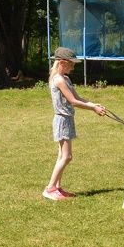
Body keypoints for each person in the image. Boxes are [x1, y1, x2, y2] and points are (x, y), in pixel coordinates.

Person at [43, 47, 106, 201]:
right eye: (71, 64)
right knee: (67, 156)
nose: (73, 66)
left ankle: (57, 187)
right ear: (63, 62)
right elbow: (73, 102)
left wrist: (94, 104)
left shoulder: (65, 78)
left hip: (68, 119)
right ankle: (50, 189)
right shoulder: (58, 80)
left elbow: (77, 97)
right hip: (62, 120)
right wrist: (93, 108)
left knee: (61, 155)